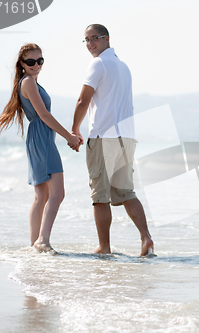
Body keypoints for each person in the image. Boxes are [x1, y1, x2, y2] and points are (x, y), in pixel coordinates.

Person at [0, 43, 81, 253]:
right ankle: (42, 241)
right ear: (22, 64)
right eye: (31, 62)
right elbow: (44, 115)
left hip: (39, 137)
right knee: (57, 193)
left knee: (42, 196)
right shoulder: (28, 82)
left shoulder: (31, 82)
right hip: (42, 138)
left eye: (40, 61)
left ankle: (35, 243)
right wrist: (69, 137)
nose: (36, 65)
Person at [71, 24, 154, 256]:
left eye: (94, 39)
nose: (90, 44)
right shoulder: (123, 66)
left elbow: (83, 100)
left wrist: (75, 129)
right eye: (86, 40)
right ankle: (146, 238)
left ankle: (104, 247)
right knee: (127, 192)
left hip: (104, 137)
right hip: (126, 138)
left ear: (106, 38)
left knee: (100, 196)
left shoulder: (98, 64)